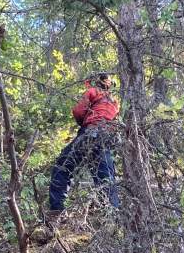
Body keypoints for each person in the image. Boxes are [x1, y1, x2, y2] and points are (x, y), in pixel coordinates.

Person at [33, 73, 120, 242]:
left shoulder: (93, 92)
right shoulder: (114, 101)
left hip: (90, 133)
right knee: (106, 176)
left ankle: (55, 214)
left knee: (63, 167)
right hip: (106, 138)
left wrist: (85, 123)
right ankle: (111, 218)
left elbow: (78, 111)